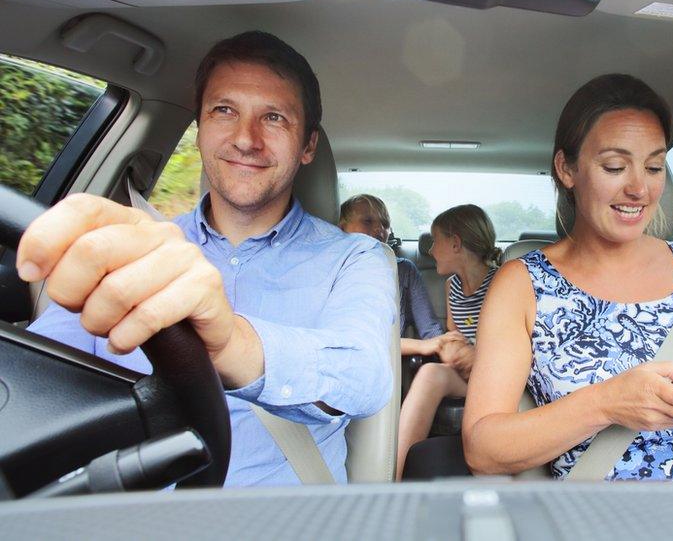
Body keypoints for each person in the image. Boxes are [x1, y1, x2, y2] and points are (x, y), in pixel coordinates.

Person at [19, 31, 395, 486]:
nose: (245, 139)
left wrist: (229, 343)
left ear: (308, 146)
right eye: (224, 111)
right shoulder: (135, 250)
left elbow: (365, 376)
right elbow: (33, 382)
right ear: (199, 128)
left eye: (273, 118)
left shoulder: (356, 257)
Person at [462, 74, 673, 481]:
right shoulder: (522, 283)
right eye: (614, 166)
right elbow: (482, 449)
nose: (639, 188)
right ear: (566, 169)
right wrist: (606, 404)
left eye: (654, 166)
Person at [396, 204, 500, 479]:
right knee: (430, 373)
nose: (429, 251)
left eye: (435, 241)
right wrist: (452, 349)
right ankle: (393, 480)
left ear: (455, 244)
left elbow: (505, 348)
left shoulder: (501, 281)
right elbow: (455, 337)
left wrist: (475, 356)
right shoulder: (451, 286)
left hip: (498, 375)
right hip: (466, 373)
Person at [338, 194, 466, 359]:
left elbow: (429, 329)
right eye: (368, 221)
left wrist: (448, 347)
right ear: (341, 228)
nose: (379, 229)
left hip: (388, 364)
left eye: (385, 224)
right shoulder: (333, 269)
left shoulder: (403, 270)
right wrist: (420, 345)